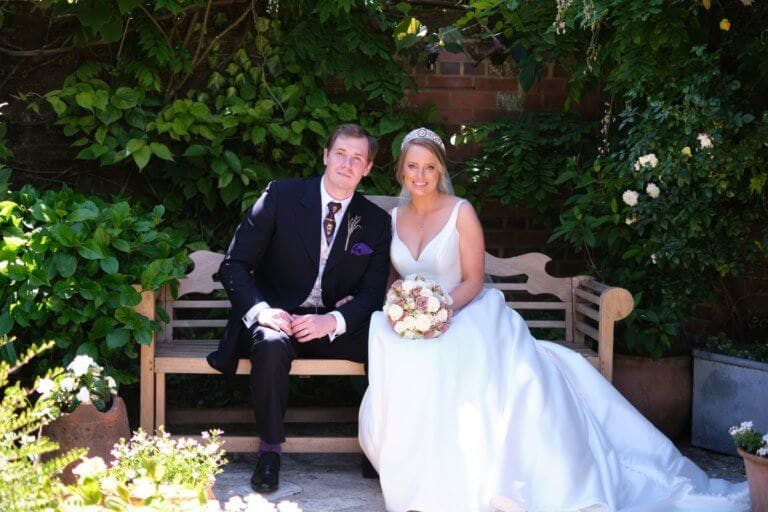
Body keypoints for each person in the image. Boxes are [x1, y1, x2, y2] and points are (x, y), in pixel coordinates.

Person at [357, 127, 749, 512]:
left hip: (461, 311)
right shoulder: (393, 219)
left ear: (441, 171)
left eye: (429, 167)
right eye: (413, 166)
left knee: (453, 356)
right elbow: (394, 277)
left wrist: (439, 311)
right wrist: (404, 307)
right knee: (396, 351)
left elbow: (474, 280)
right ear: (401, 171)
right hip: (414, 317)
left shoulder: (461, 212)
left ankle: (468, 473)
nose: (420, 176)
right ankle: (419, 464)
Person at [208, 124, 391, 493]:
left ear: (368, 168)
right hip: (276, 318)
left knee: (389, 344)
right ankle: (270, 452)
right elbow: (233, 265)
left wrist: (333, 319)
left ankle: (379, 449)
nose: (347, 163)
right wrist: (261, 311)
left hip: (327, 326)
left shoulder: (375, 221)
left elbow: (372, 294)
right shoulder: (281, 196)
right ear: (325, 155)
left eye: (357, 158)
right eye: (340, 153)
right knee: (272, 345)